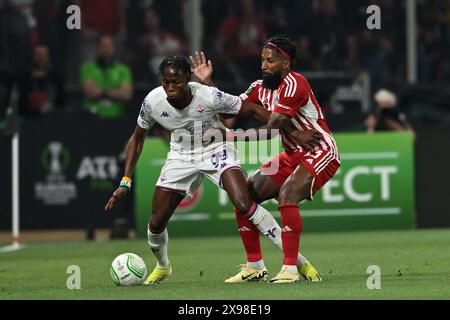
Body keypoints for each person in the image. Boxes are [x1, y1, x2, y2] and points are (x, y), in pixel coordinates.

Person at [104, 56, 317, 285]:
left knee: (244, 203)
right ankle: (163, 266)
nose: (170, 88)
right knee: (156, 223)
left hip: (216, 148)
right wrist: (125, 180)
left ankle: (298, 261)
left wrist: (294, 134)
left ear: (187, 78)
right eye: (165, 82)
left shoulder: (208, 96)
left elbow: (254, 110)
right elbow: (137, 139)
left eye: (175, 81)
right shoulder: (153, 102)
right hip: (181, 155)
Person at [193, 35, 340, 283]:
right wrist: (208, 84)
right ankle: (254, 266)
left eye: (270, 61)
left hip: (319, 150)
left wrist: (228, 136)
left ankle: (290, 270)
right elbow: (228, 108)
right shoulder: (258, 87)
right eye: (262, 60)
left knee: (288, 194)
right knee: (245, 194)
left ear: (285, 62)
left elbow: (271, 129)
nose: (263, 65)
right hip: (292, 153)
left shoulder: (295, 84)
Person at [80, 34, 133, 118]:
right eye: (103, 45)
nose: (106, 48)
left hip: (116, 117)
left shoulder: (123, 70)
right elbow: (90, 93)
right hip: (92, 117)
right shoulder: (87, 68)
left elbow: (126, 95)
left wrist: (102, 92)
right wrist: (116, 92)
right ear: (97, 47)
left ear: (113, 47)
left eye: (109, 45)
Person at [18, 44, 64, 117]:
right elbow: (20, 107)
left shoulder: (56, 78)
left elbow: (62, 104)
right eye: (38, 55)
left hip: (53, 120)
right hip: (30, 121)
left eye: (44, 55)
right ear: (32, 57)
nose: (41, 58)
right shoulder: (24, 79)